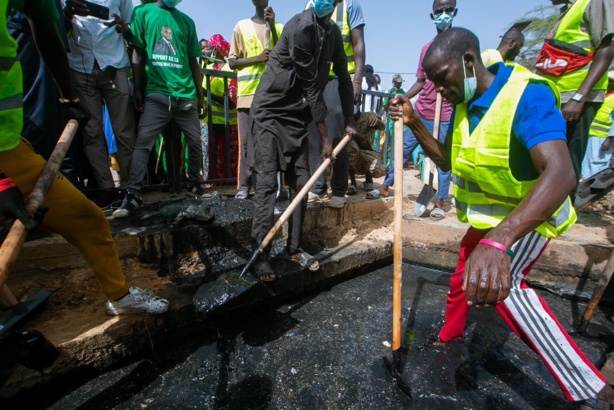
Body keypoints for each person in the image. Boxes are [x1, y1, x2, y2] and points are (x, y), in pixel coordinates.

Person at [390, 27, 614, 408]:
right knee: (466, 268)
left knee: (506, 291)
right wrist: (413, 121)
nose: (439, 91)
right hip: (491, 218)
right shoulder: (463, 103)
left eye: (443, 79)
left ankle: (590, 387)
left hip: (532, 213)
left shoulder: (527, 94)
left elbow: (562, 174)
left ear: (468, 61)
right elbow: (446, 160)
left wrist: (498, 242)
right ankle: (449, 336)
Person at [0, 0, 168, 315]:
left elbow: (47, 28)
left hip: (8, 147)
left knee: (89, 220)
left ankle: (119, 297)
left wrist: (67, 95)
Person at [247, 0, 357, 280]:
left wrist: (350, 122)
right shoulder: (300, 28)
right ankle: (260, 254)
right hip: (271, 112)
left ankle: (293, 248)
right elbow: (311, 86)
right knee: (267, 183)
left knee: (301, 180)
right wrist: (324, 139)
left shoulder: (332, 33)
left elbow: (344, 79)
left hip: (298, 117)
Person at [113, 0, 206, 218]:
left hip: (185, 95)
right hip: (157, 93)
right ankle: (133, 194)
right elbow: (137, 52)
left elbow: (194, 61)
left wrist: (200, 96)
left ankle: (194, 183)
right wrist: (137, 88)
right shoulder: (143, 13)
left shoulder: (187, 22)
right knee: (143, 143)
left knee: (195, 142)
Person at [374, 0, 457, 220]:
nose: (443, 14)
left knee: (441, 159)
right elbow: (420, 81)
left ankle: (439, 201)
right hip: (420, 111)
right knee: (401, 151)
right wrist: (405, 97)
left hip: (446, 113)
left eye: (448, 10)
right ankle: (386, 185)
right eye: (439, 11)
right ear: (433, 16)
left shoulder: (459, 46)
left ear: (455, 12)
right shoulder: (426, 49)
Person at [63, 0, 136, 208]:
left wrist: (123, 26)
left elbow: (129, 25)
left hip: (115, 63)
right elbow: (59, 25)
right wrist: (68, 13)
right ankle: (107, 189)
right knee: (91, 131)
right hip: (80, 65)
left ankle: (128, 188)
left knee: (123, 131)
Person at [535, 0, 614, 183]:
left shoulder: (595, 2)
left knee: (567, 163)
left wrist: (579, 97)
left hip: (575, 99)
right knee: (550, 161)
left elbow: (608, 48)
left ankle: (564, 210)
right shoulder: (569, 10)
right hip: (557, 97)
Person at [306, 0, 365, 209]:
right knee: (314, 135)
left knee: (337, 135)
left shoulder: (349, 5)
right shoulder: (311, 4)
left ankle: (338, 189)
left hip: (339, 78)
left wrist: (356, 80)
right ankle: (317, 186)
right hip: (314, 80)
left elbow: (358, 43)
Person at [229, 0, 283, 200]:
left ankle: (269, 186)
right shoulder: (241, 26)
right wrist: (257, 58)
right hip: (247, 95)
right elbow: (232, 61)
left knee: (271, 143)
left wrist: (274, 28)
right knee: (246, 143)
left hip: (272, 96)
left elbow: (285, 57)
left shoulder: (278, 27)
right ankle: (244, 186)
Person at [203, 34, 238, 182]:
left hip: (228, 122)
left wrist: (207, 94)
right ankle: (214, 182)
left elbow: (231, 101)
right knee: (212, 155)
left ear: (216, 50)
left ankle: (229, 181)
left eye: (209, 48)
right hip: (209, 120)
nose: (207, 51)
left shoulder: (230, 69)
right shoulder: (207, 68)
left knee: (227, 155)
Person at [581, 75, 614, 178]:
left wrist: (609, 139)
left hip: (603, 136)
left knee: (597, 164)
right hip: (592, 133)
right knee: (587, 162)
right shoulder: (607, 95)